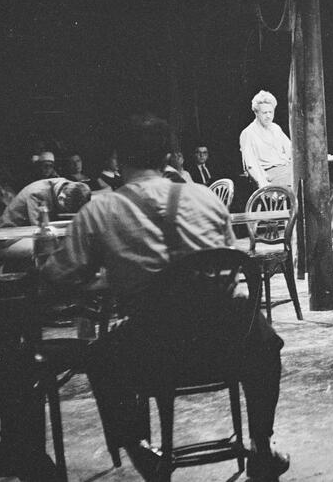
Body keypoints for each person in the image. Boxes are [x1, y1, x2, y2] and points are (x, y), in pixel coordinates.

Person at [41, 114, 289, 481]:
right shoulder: (205, 198)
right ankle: (262, 448)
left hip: (155, 351)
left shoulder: (99, 211)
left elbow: (58, 276)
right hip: (227, 344)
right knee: (265, 341)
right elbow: (231, 259)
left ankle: (143, 453)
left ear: (117, 159)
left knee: (99, 358)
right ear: (168, 158)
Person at [0, 177, 91, 261]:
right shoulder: (37, 194)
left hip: (31, 234)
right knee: (49, 248)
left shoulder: (69, 187)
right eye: (66, 209)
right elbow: (40, 231)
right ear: (61, 198)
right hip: (8, 239)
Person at [240, 90, 292, 189]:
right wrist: (262, 183)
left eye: (271, 112)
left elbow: (291, 151)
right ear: (256, 113)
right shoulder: (248, 133)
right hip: (270, 174)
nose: (268, 116)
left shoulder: (276, 128)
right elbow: (250, 165)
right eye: (264, 113)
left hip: (287, 169)